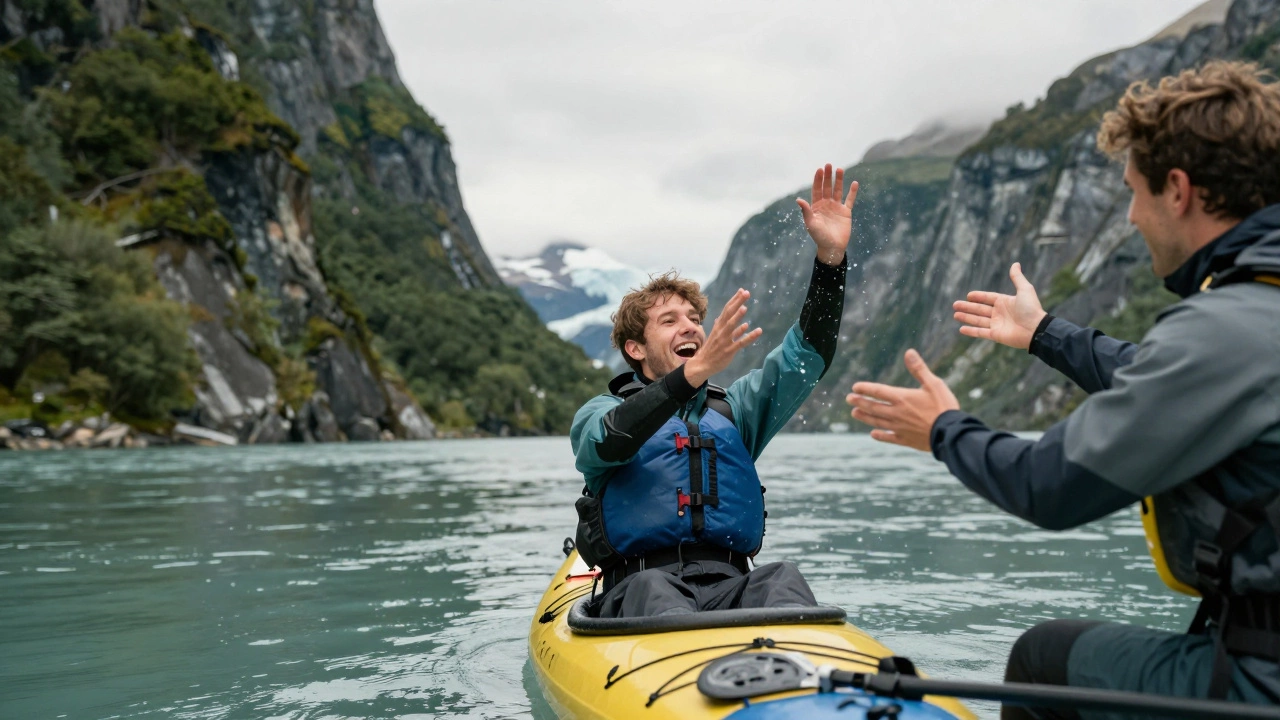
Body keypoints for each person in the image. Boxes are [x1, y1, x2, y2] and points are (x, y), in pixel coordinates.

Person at [846, 60, 1280, 716]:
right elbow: (1165, 380)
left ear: (1180, 190)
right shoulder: (1255, 312)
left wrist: (944, 429)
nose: (1131, 217)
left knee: (1043, 659)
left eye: (1135, 192)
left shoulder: (1229, 325)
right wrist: (1045, 332)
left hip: (1262, 682)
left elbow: (1047, 485)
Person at [571, 164, 858, 618]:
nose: (689, 327)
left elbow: (809, 355)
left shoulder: (734, 411)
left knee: (782, 576)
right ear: (635, 348)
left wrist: (829, 264)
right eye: (670, 322)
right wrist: (689, 376)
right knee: (654, 590)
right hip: (640, 588)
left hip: (730, 587)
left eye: (693, 319)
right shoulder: (602, 412)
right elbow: (609, 440)